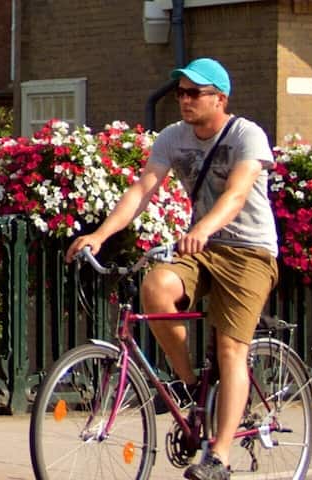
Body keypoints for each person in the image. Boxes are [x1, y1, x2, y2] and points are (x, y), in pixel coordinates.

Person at [63, 57, 277, 480]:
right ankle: (193, 383)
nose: (185, 100)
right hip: (202, 247)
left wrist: (202, 227)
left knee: (232, 349)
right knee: (156, 287)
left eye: (195, 92)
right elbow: (143, 187)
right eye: (181, 92)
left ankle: (219, 456)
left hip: (250, 251)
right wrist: (100, 235)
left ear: (220, 98)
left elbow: (236, 194)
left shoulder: (246, 135)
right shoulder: (173, 138)